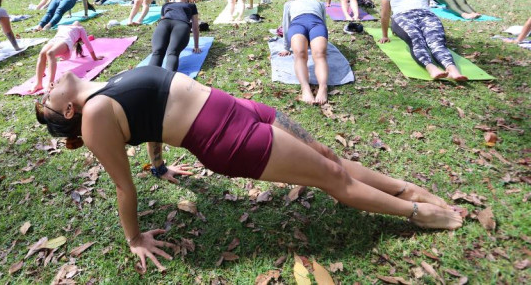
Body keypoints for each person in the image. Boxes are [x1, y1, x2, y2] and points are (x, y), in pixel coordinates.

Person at [35, 66, 463, 272]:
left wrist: (159, 166)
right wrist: (134, 238)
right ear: (69, 110)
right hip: (228, 139)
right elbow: (123, 189)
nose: (46, 86)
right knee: (334, 180)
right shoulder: (91, 118)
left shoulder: (101, 88)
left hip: (239, 109)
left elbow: (147, 118)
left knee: (331, 158)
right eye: (47, 96)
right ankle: (417, 214)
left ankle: (404, 189)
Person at [379, 0, 467, 81]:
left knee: (436, 42)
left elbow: (428, 6)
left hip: (426, 15)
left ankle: (452, 70)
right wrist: (384, 35)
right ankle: (432, 68)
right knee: (416, 40)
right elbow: (385, 14)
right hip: (403, 16)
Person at [279, 0, 329, 105]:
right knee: (300, 53)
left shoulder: (319, 3)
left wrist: (324, 40)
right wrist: (286, 47)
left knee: (320, 54)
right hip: (297, 24)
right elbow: (286, 24)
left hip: (317, 24)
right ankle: (305, 88)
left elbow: (324, 21)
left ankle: (323, 87)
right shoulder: (290, 4)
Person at [30, 22, 103, 93]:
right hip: (56, 40)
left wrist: (95, 58)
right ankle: (38, 83)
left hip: (66, 42)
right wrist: (42, 71)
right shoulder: (62, 26)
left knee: (50, 53)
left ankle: (50, 84)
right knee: (42, 53)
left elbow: (87, 44)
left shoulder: (80, 29)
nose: (77, 22)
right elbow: (59, 28)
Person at [149, 0, 201, 71]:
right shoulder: (168, 5)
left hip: (173, 24)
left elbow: (195, 27)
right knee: (164, 52)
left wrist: (196, 46)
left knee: (165, 52)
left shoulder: (189, 6)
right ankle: (156, 79)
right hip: (171, 24)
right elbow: (195, 27)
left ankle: (160, 79)